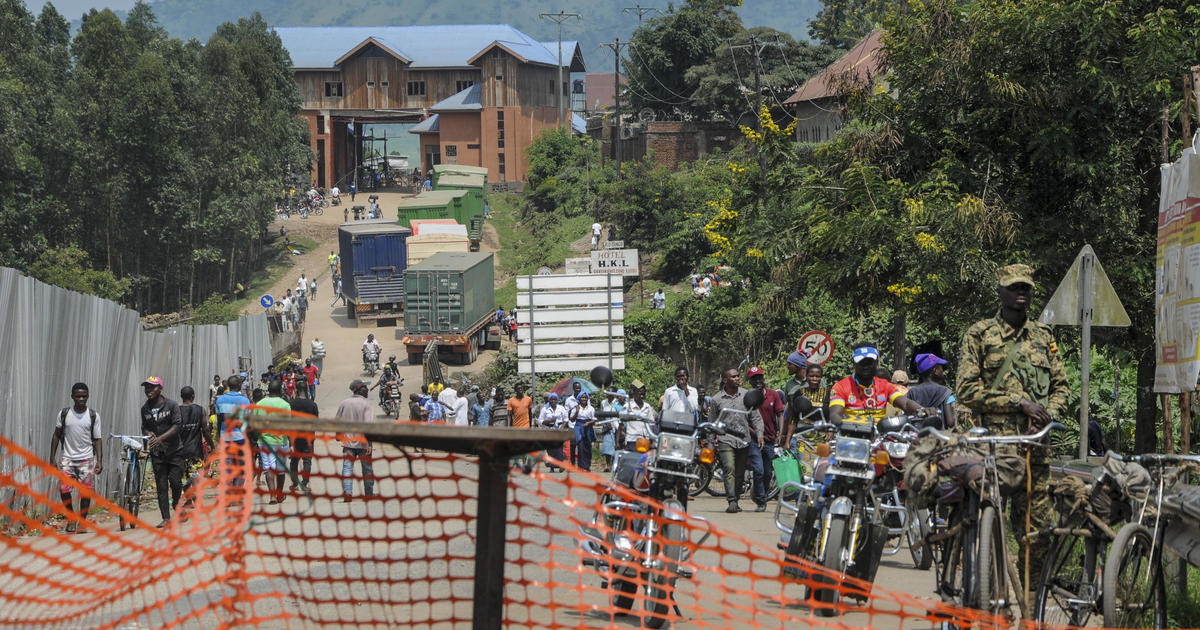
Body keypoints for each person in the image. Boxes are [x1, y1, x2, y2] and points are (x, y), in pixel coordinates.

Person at [957, 263, 1069, 588]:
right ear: (1000, 292)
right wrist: (1019, 403)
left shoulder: (1044, 336)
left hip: (1035, 450)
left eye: (1025, 288)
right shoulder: (979, 334)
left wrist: (1046, 415)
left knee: (1038, 532)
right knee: (982, 523)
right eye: (1014, 287)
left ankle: (1031, 602)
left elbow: (1062, 387)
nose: (1021, 292)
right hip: (992, 449)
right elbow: (966, 390)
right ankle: (982, 590)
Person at [829, 345, 927, 427]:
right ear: (854, 364)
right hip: (850, 437)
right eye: (862, 363)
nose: (866, 366)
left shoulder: (885, 385)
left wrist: (923, 410)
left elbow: (905, 403)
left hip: (879, 438)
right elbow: (835, 415)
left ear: (876, 363)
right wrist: (846, 425)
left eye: (870, 362)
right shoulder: (840, 386)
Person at [49, 383, 102, 534]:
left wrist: (99, 460)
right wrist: (52, 458)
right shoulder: (64, 414)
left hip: (86, 459)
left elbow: (98, 439)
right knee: (64, 489)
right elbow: (56, 435)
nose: (81, 399)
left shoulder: (93, 416)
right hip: (67, 458)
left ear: (88, 396)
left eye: (84, 396)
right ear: (72, 396)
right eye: (78, 396)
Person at [709, 368, 759, 513]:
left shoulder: (747, 395)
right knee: (729, 469)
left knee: (739, 472)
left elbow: (755, 417)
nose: (737, 378)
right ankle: (731, 500)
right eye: (733, 377)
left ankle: (736, 499)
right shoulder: (716, 399)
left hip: (743, 440)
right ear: (725, 380)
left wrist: (760, 434)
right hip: (726, 439)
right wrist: (710, 443)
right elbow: (712, 423)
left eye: (738, 376)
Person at [140, 376, 183, 528]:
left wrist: (161, 438)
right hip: (157, 453)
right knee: (161, 486)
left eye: (152, 387)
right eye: (147, 387)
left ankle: (177, 503)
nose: (149, 390)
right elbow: (144, 427)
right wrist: (148, 433)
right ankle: (166, 517)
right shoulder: (145, 409)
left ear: (160, 388)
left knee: (176, 482)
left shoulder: (171, 405)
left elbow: (177, 425)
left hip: (174, 450)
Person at [746, 366, 783, 512]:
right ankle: (761, 501)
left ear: (763, 378)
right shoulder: (747, 397)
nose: (757, 381)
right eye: (754, 379)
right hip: (753, 440)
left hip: (770, 439)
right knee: (759, 470)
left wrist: (780, 433)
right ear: (750, 381)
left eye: (759, 377)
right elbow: (744, 419)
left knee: (768, 472)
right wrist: (756, 433)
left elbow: (780, 414)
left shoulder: (773, 395)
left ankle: (762, 493)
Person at [337, 379, 376, 500]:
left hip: (348, 443)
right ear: (358, 390)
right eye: (364, 387)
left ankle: (347, 492)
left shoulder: (344, 403)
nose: (367, 389)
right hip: (363, 443)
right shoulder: (367, 404)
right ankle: (369, 494)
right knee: (367, 469)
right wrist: (370, 444)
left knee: (347, 467)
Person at [254, 381, 292, 505]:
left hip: (264, 442)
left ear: (268, 390)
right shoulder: (285, 405)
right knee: (281, 470)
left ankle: (272, 497)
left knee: (269, 469)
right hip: (281, 441)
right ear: (280, 390)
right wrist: (291, 443)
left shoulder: (259, 404)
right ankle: (279, 495)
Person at [177, 386, 214, 493]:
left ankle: (189, 499)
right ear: (193, 396)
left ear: (181, 396)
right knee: (195, 476)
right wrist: (211, 445)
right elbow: (205, 430)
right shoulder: (200, 410)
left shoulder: (177, 411)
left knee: (185, 477)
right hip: (195, 450)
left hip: (181, 450)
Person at [906, 353, 958, 429]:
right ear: (935, 370)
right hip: (939, 434)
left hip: (919, 434)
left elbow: (908, 416)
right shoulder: (946, 392)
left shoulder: (912, 392)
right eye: (941, 367)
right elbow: (950, 422)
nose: (942, 370)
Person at [287, 393, 318, 492]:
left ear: (296, 391)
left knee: (294, 460)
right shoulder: (313, 404)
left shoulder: (291, 404)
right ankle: (304, 484)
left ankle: (294, 484)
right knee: (307, 461)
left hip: (295, 437)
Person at [538, 393, 570, 470]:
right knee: (550, 448)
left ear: (557, 400)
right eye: (551, 399)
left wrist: (562, 427)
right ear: (549, 400)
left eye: (555, 399)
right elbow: (540, 421)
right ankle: (552, 466)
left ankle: (560, 464)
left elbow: (566, 419)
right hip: (549, 430)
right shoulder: (545, 409)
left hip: (559, 430)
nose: (553, 401)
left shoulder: (561, 408)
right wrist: (549, 421)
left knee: (558, 447)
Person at [622, 380, 656, 449]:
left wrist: (652, 440)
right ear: (634, 393)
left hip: (645, 440)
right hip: (632, 440)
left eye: (643, 393)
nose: (642, 395)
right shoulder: (627, 406)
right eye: (640, 393)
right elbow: (621, 424)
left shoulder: (647, 407)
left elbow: (651, 424)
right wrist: (618, 440)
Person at [599, 388, 624, 471]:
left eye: (610, 392)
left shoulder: (617, 402)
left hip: (617, 427)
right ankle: (608, 465)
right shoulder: (603, 402)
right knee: (607, 445)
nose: (608, 394)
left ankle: (615, 464)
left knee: (616, 445)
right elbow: (601, 414)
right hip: (607, 427)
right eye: (607, 392)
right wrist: (606, 422)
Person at [571, 392, 597, 470]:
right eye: (582, 397)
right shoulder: (576, 408)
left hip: (588, 427)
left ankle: (587, 465)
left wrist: (589, 423)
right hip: (579, 427)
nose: (584, 399)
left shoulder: (591, 408)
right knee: (580, 446)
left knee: (588, 446)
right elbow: (572, 420)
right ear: (579, 399)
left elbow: (594, 420)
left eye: (585, 397)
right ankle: (581, 466)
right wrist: (576, 412)